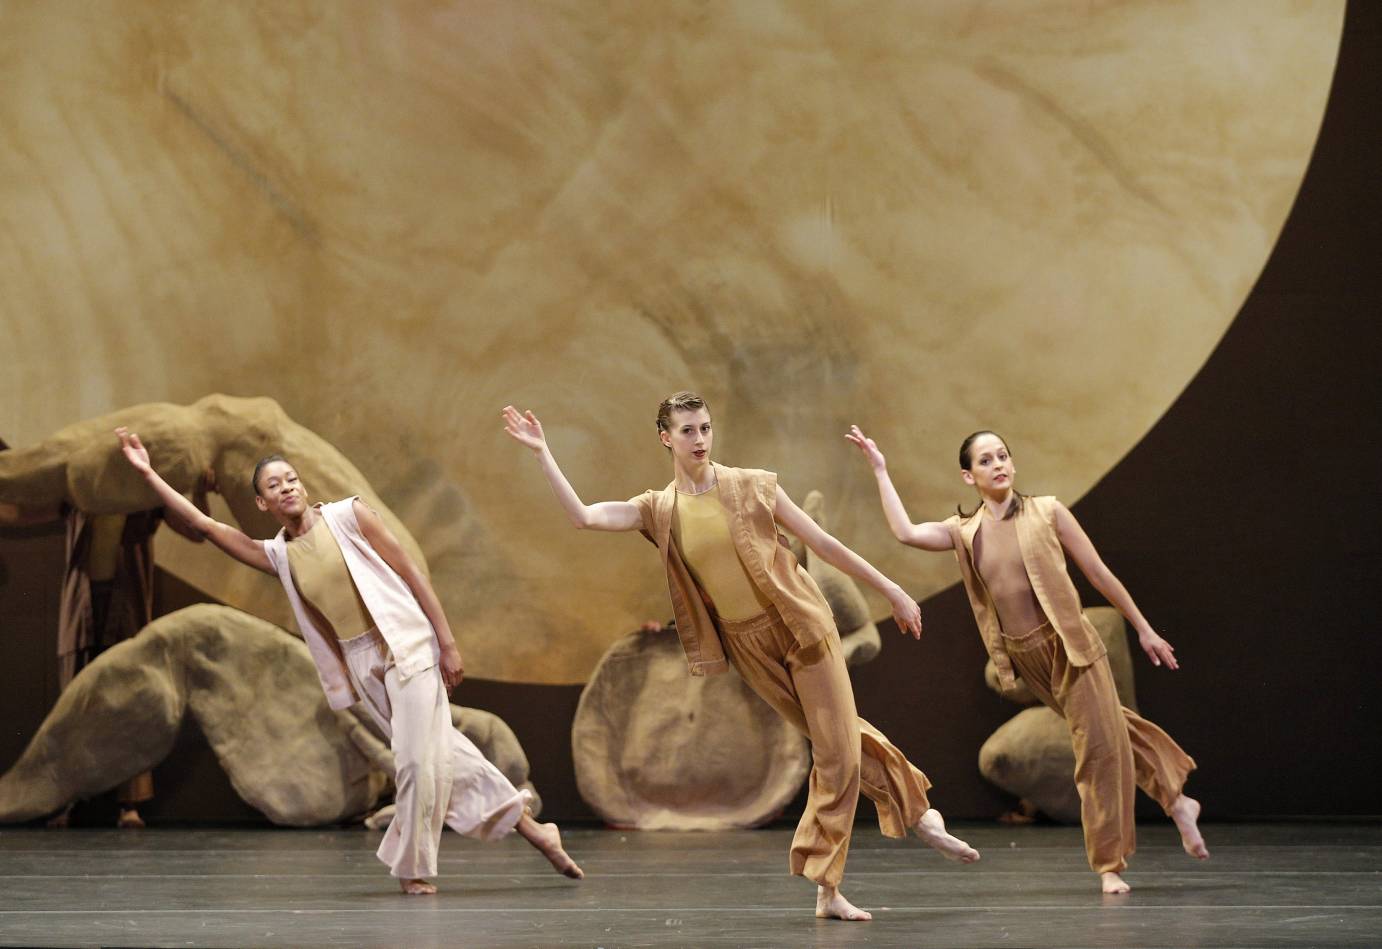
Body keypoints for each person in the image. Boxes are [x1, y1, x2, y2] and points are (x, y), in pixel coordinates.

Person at [503, 394, 977, 922]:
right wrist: (544, 452)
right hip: (747, 643)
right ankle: (918, 814)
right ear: (666, 437)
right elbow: (585, 518)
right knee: (836, 741)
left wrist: (892, 590)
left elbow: (821, 542)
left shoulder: (751, 484)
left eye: (705, 428)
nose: (700, 439)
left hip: (800, 623)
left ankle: (837, 878)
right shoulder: (658, 509)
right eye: (687, 430)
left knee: (836, 751)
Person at [114, 427, 582, 895]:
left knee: (415, 763)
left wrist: (448, 642)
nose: (287, 488)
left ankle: (410, 867)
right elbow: (204, 525)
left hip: (406, 642)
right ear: (262, 503)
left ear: (304, 485)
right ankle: (538, 833)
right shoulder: (277, 555)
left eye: (291, 479)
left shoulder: (349, 515)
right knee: (446, 754)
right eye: (274, 485)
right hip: (364, 663)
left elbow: (411, 572)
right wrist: (148, 473)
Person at [845, 426, 1208, 894]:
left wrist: (1143, 627)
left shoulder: (1048, 511)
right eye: (985, 460)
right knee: (1111, 728)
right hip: (1025, 656)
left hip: (1072, 648)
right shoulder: (965, 531)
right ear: (968, 475)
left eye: (1002, 456)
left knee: (1096, 751)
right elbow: (906, 532)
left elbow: (1097, 573)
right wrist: (880, 469)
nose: (997, 464)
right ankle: (1178, 801)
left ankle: (1109, 863)